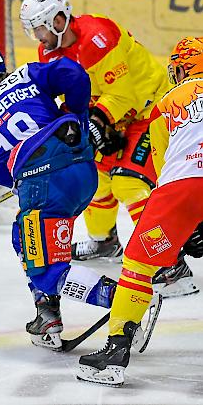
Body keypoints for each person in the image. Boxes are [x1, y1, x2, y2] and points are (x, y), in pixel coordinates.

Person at [20, 0, 198, 298]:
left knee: (128, 183)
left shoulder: (98, 38)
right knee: (95, 176)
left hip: (147, 111)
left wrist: (99, 120)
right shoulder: (47, 52)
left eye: (40, 30)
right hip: (113, 115)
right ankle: (104, 240)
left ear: (59, 20)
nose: (39, 38)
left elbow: (124, 93)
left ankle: (171, 263)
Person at [0, 44, 118, 350]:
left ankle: (125, 299)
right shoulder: (27, 74)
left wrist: (34, 180)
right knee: (23, 235)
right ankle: (46, 313)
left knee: (45, 267)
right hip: (84, 172)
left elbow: (6, 178)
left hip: (43, 187)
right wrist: (78, 117)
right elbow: (73, 73)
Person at [76, 37, 203, 387]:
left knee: (137, 264)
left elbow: (164, 166)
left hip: (184, 187)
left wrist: (186, 224)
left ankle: (115, 352)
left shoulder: (167, 103)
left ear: (181, 67)